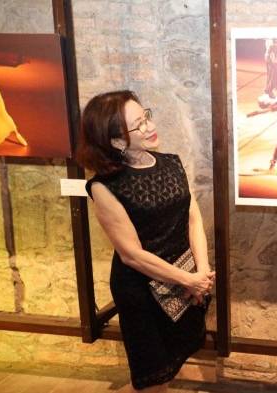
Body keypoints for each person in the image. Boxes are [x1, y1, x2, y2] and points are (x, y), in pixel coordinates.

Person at [76, 90, 215, 393]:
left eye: (146, 117)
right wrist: (190, 280)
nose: (150, 127)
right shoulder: (104, 186)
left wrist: (201, 272)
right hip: (142, 292)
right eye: (138, 125)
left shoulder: (171, 163)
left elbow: (193, 217)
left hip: (185, 278)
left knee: (174, 363)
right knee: (153, 376)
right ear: (115, 141)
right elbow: (132, 255)